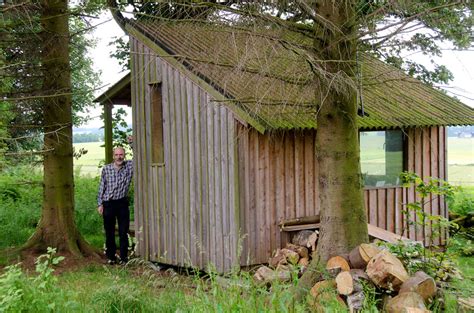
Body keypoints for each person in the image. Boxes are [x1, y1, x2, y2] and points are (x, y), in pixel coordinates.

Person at [97, 146, 133, 264]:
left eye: (121, 154)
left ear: (124, 155)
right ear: (113, 156)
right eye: (116, 155)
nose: (119, 157)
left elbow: (139, 158)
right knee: (110, 232)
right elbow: (102, 187)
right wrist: (100, 204)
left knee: (123, 231)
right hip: (108, 203)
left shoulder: (129, 167)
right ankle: (111, 257)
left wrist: (132, 144)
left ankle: (123, 258)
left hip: (122, 203)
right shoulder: (106, 169)